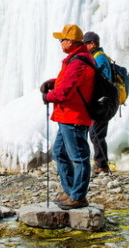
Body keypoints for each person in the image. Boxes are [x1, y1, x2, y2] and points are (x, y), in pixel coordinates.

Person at [41, 24, 96, 210]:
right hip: (67, 116)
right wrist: (52, 83)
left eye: (61, 39)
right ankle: (70, 191)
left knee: (79, 157)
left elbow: (65, 91)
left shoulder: (79, 62)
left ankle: (78, 196)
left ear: (70, 41)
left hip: (74, 116)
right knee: (60, 153)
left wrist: (48, 96)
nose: (60, 43)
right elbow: (68, 82)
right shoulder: (75, 60)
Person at [83, 31, 113, 174]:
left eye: (85, 43)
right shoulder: (98, 56)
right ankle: (100, 163)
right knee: (96, 132)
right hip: (103, 100)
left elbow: (103, 79)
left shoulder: (99, 58)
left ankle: (102, 164)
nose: (83, 46)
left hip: (103, 101)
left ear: (92, 44)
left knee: (96, 132)